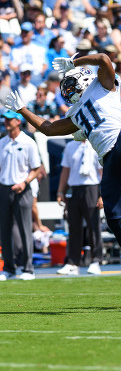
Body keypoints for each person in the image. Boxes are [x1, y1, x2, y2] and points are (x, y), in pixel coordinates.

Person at [5, 52, 121, 300]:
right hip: (113, 163)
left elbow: (103, 58)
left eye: (70, 83)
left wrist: (74, 62)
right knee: (113, 218)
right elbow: (47, 129)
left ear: (83, 77)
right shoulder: (75, 114)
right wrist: (22, 109)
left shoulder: (102, 85)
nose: (67, 90)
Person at [0, 110, 41, 281]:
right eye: (5, 120)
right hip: (4, 188)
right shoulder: (2, 142)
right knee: (5, 230)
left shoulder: (28, 142)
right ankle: (9, 268)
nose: (6, 122)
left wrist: (24, 182)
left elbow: (36, 168)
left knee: (25, 229)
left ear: (18, 121)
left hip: (23, 188)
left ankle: (28, 268)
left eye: (10, 120)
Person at [56, 139, 103, 276]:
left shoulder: (95, 144)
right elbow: (66, 170)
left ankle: (96, 261)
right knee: (74, 227)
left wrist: (102, 194)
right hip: (75, 188)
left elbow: (102, 171)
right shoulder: (70, 146)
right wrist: (60, 191)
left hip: (92, 187)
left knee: (93, 227)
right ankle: (73, 262)